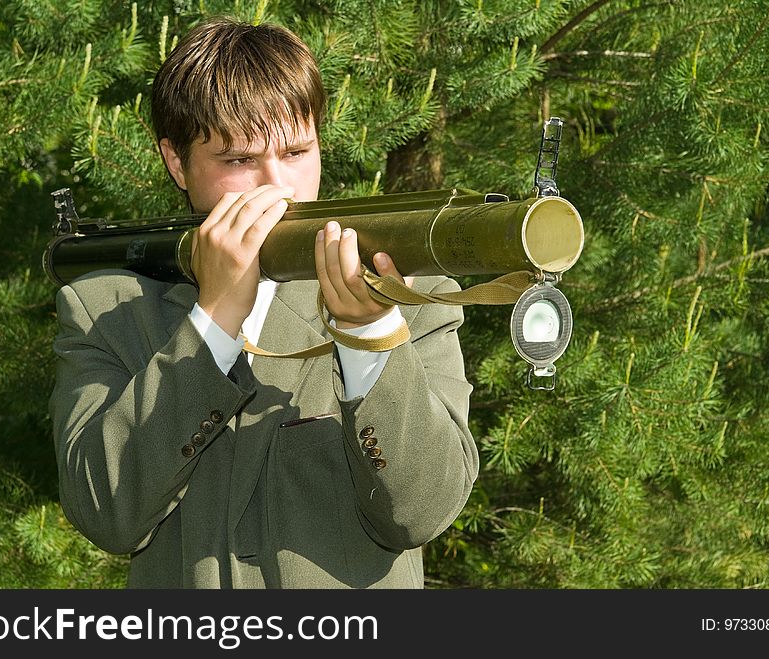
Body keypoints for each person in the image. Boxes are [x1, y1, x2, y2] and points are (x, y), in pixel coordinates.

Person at [49, 16, 478, 588]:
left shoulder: (411, 294)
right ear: (177, 161)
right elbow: (106, 513)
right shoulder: (108, 307)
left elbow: (422, 510)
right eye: (238, 161)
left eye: (297, 151)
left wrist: (372, 338)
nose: (278, 187)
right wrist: (214, 319)